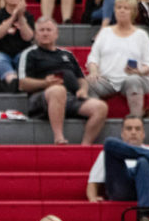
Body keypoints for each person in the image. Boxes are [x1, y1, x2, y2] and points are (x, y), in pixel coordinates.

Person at [17, 17, 108, 145]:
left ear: (56, 34)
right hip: (41, 99)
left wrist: (83, 90)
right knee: (58, 90)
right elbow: (22, 84)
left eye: (49, 30)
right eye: (41, 30)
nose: (45, 33)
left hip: (70, 98)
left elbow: (81, 78)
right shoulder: (30, 54)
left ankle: (85, 145)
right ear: (36, 35)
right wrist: (45, 83)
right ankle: (59, 137)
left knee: (100, 107)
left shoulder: (67, 54)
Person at [86, 115, 149, 221]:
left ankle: (145, 217)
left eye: (137, 129)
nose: (133, 132)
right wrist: (92, 198)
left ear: (143, 133)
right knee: (109, 143)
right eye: (129, 129)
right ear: (122, 133)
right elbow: (92, 182)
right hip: (122, 188)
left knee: (143, 161)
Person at [85, 0, 149, 118]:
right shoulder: (105, 33)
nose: (122, 10)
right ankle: (95, 116)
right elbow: (93, 58)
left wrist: (139, 71)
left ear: (133, 12)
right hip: (107, 80)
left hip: (134, 78)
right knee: (88, 81)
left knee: (132, 80)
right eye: (119, 7)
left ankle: (136, 118)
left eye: (126, 8)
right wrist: (93, 71)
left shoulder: (141, 35)